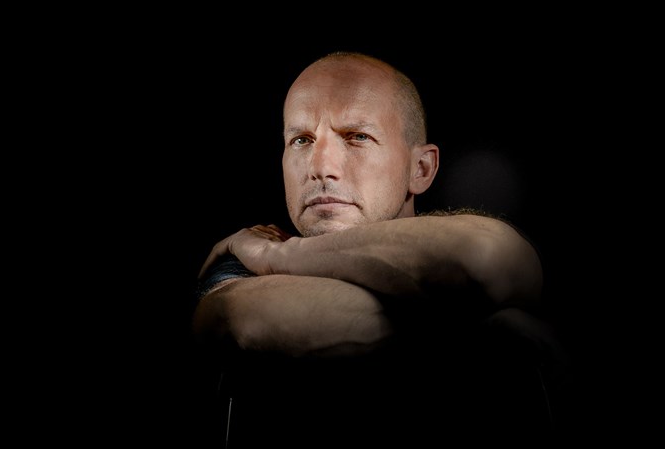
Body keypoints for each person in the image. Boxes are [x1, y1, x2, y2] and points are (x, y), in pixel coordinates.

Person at [192, 51, 565, 447]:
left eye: (357, 137)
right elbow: (238, 317)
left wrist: (280, 255)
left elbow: (485, 258)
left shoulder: (260, 253)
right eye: (301, 140)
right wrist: (485, 327)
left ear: (420, 169)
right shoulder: (238, 268)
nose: (320, 167)